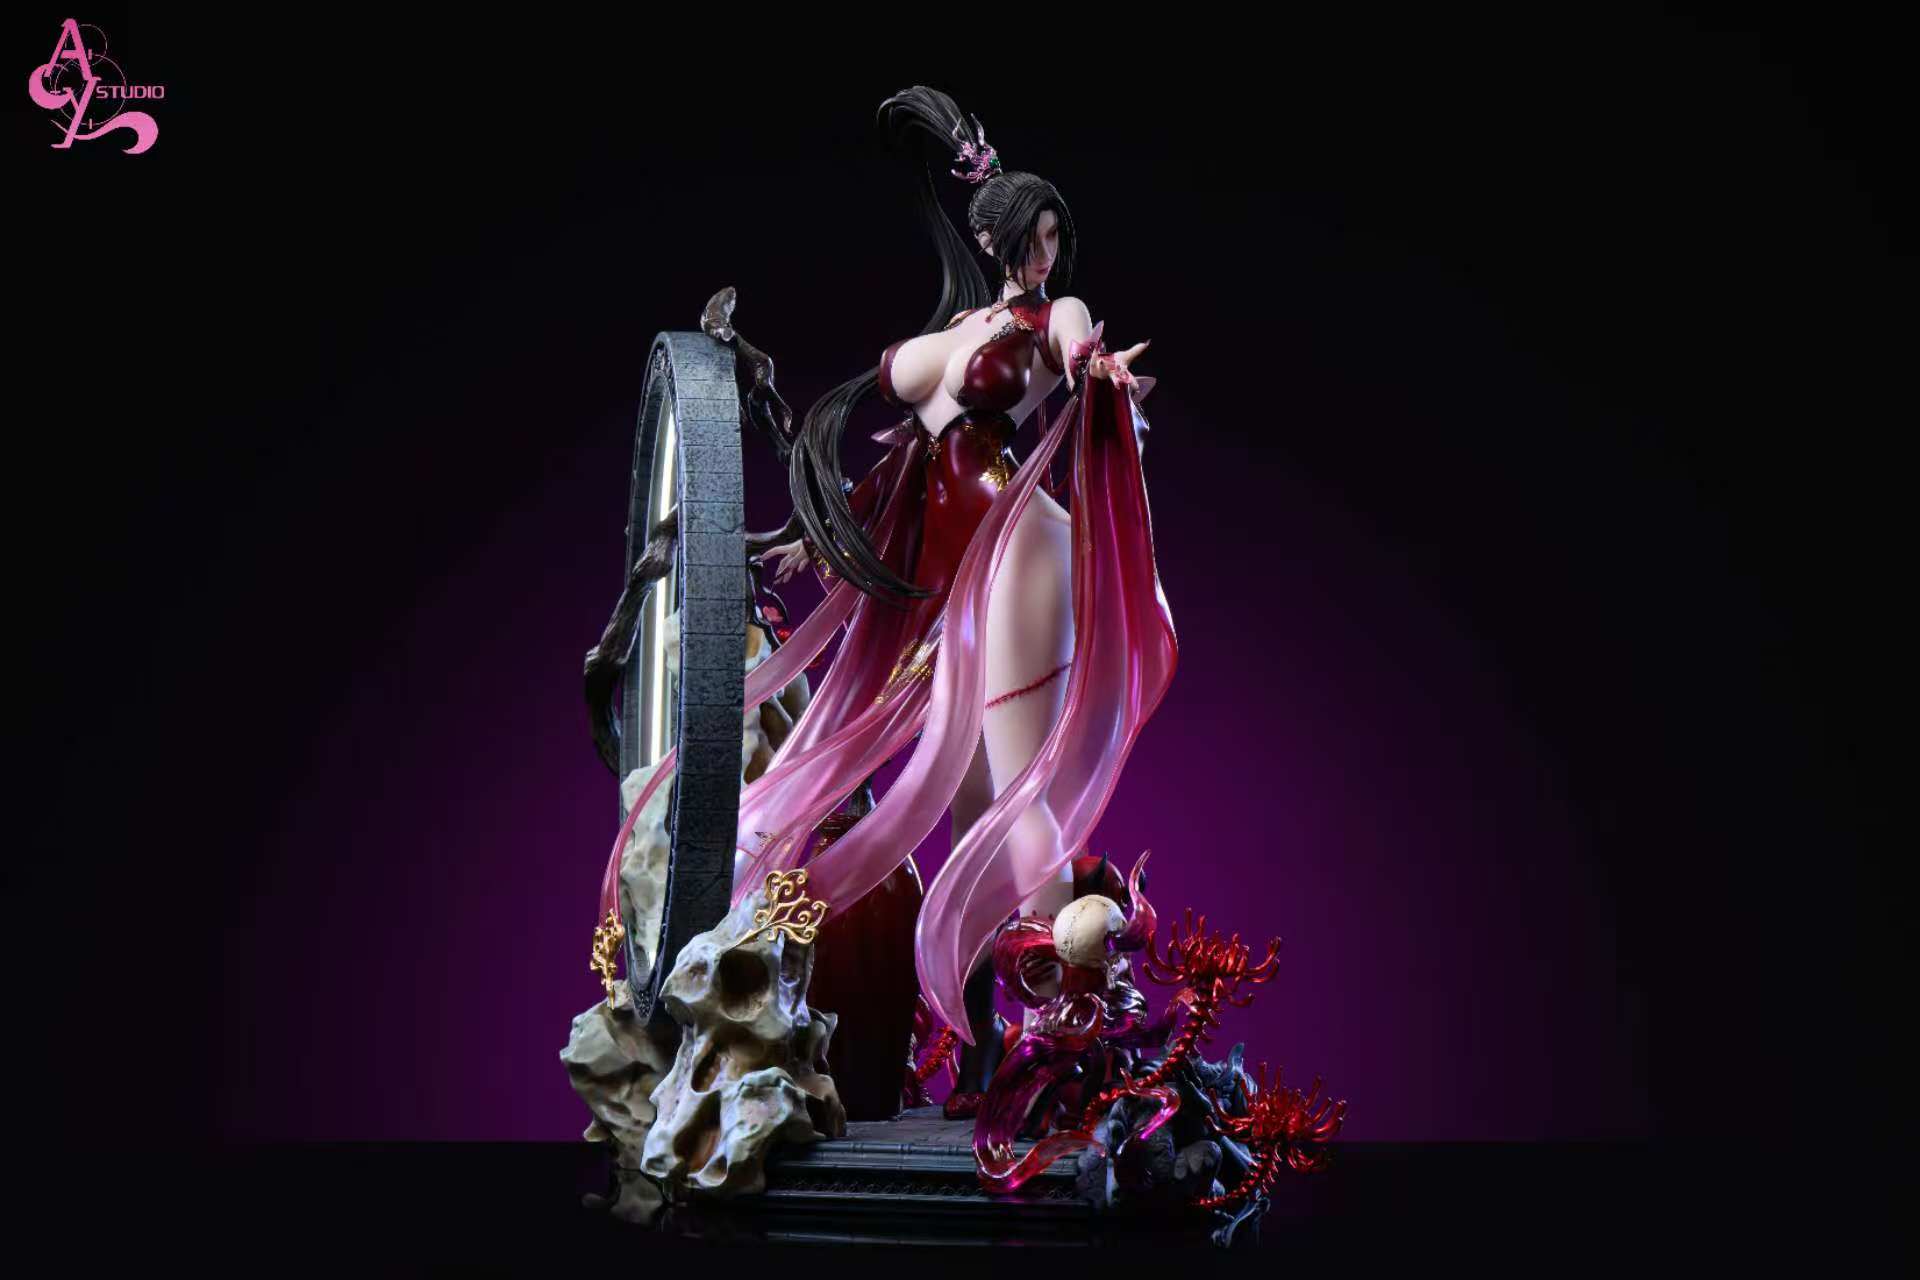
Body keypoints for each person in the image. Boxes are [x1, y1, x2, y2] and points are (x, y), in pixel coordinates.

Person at [600, 86, 1176, 1113]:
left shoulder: (1055, 315)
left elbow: (1081, 359)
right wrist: (818, 540)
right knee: (965, 808)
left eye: (1057, 240)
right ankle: (990, 1053)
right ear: (992, 237)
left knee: (1016, 795)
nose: (1046, 256)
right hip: (956, 570)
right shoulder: (961, 325)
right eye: (1034, 238)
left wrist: (1108, 381)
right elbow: (908, 463)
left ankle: (1069, 1032)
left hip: (1020, 549)